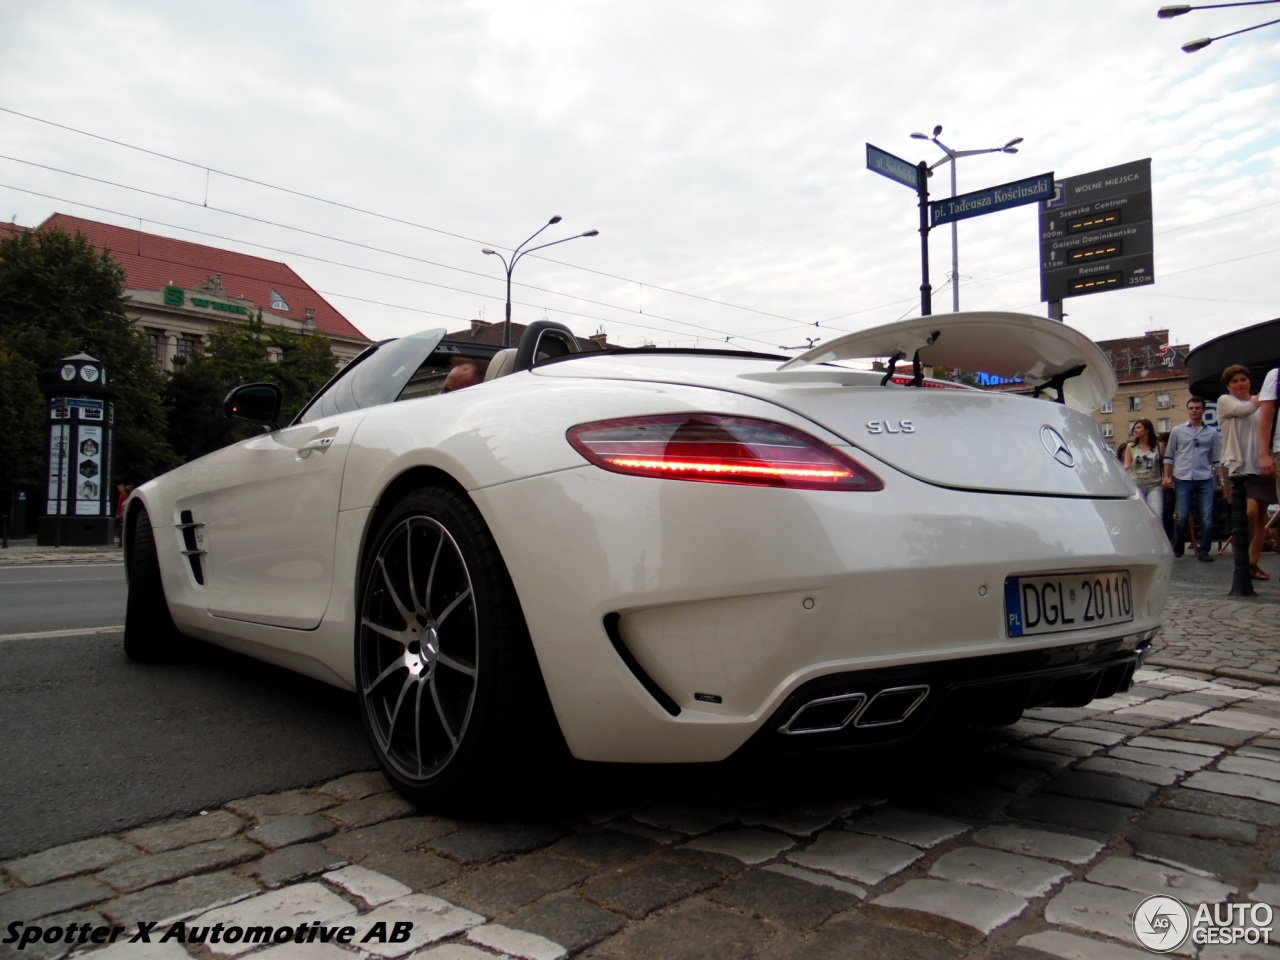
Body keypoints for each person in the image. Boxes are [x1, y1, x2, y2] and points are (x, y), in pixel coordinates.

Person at [1218, 364, 1272, 580]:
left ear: (1249, 381)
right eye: (1235, 381)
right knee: (1247, 513)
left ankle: (1252, 563)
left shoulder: (1261, 404)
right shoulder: (1225, 401)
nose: (1240, 384)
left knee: (1260, 517)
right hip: (1238, 466)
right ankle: (1240, 558)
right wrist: (1268, 392)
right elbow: (1246, 410)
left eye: (1243, 379)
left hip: (1261, 464)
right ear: (1229, 386)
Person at [1163, 397, 1222, 562]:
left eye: (1197, 408)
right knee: (1181, 516)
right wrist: (1167, 476)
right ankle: (1179, 541)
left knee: (1207, 516)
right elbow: (1169, 456)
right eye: (1191, 408)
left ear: (1203, 410)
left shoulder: (1211, 433)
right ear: (1187, 410)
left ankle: (1204, 549)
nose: (1194, 410)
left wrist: (1222, 481)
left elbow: (1217, 458)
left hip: (1204, 477)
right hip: (1183, 477)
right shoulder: (1177, 430)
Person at [1122, 419, 1164, 517]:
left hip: (1154, 485)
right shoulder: (1131, 447)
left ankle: (1156, 533)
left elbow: (1163, 464)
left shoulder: (1158, 446)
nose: (1135, 430)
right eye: (1135, 428)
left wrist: (1167, 478)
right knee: (1140, 516)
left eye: (1138, 427)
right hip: (1137, 485)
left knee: (1157, 515)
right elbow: (1126, 465)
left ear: (1147, 429)